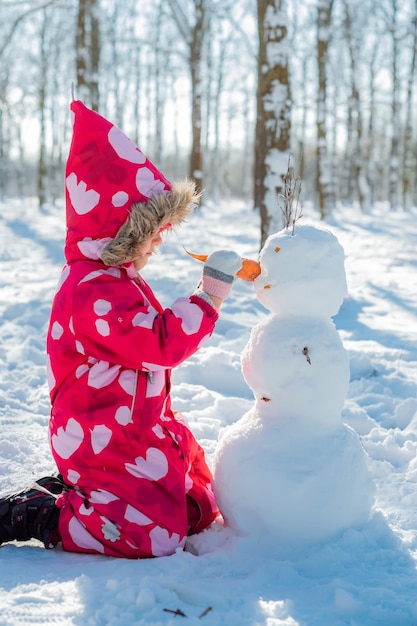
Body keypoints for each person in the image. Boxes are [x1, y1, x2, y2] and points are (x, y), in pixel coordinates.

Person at [0, 100, 242, 558]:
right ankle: (43, 513)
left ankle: (86, 495)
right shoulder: (90, 291)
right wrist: (207, 298)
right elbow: (158, 342)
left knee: (197, 505)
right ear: (117, 231)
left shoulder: (113, 278)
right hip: (100, 436)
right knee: (153, 536)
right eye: (149, 230)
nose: (158, 240)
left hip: (137, 427)